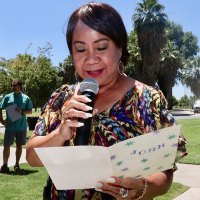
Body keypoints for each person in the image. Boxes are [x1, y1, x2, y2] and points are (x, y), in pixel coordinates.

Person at [26, 2, 187, 200]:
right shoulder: (61, 98)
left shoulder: (148, 99)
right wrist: (60, 133)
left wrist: (143, 188)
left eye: (101, 47)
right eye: (80, 49)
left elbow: (166, 172)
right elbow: (32, 158)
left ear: (120, 48)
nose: (91, 59)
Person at [0, 79, 33, 173]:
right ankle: (5, 165)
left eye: (14, 85)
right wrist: (1, 120)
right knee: (6, 146)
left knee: (19, 146)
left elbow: (30, 111)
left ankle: (17, 164)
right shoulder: (7, 97)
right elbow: (0, 107)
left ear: (19, 86)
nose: (13, 87)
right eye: (12, 85)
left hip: (21, 127)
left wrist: (21, 111)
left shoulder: (26, 98)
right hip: (10, 127)